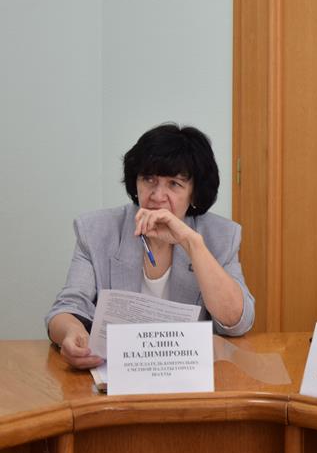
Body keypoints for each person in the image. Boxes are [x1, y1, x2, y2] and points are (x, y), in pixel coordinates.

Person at [46, 123, 255, 369]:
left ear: (194, 192)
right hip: (117, 373)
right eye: (149, 179)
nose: (157, 196)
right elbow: (68, 307)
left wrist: (192, 243)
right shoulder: (96, 230)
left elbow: (237, 322)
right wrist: (71, 332)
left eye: (174, 184)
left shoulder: (221, 236)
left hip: (187, 375)